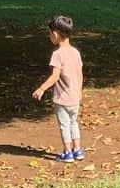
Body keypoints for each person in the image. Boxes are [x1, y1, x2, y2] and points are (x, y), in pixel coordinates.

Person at [32, 12, 84, 162]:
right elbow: (80, 74)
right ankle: (78, 150)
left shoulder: (58, 54)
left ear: (55, 34)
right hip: (75, 97)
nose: (49, 37)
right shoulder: (75, 53)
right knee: (74, 123)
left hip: (62, 99)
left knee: (64, 125)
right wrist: (79, 91)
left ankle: (67, 152)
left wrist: (41, 88)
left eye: (49, 34)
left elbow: (55, 76)